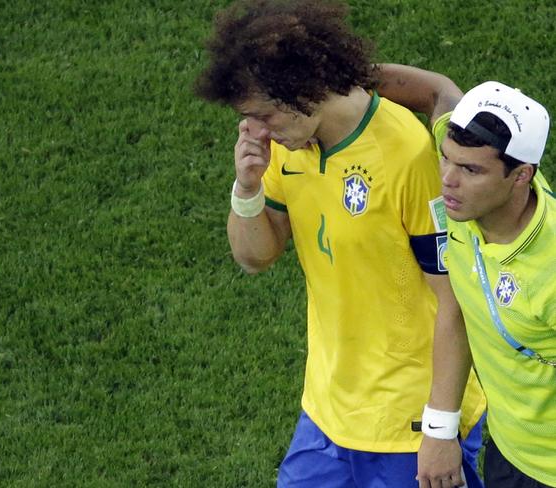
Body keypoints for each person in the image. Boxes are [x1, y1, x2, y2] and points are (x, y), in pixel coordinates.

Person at [194, 2, 486, 487]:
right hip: (327, 414)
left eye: (263, 114)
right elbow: (255, 257)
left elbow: (454, 301)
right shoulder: (285, 148)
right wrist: (246, 189)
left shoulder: (407, 155)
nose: (256, 131)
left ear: (303, 90)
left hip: (408, 425)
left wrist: (440, 428)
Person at [379, 66, 556, 488]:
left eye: (471, 170)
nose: (448, 180)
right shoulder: (470, 203)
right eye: (445, 156)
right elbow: (438, 92)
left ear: (521, 176)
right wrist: (331, 74)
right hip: (509, 454)